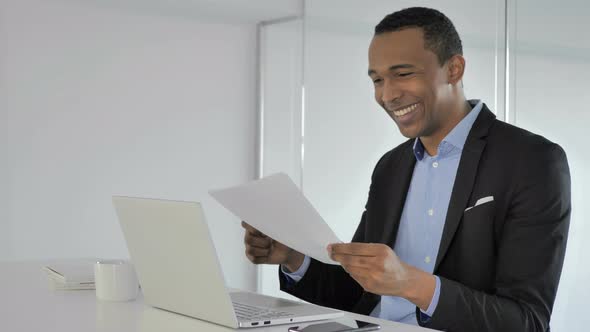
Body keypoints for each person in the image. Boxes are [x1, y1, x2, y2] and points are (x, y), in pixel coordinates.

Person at [242, 7, 571, 332]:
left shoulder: (532, 160)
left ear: (454, 69)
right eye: (377, 80)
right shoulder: (391, 167)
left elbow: (527, 322)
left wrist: (412, 285)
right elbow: (356, 292)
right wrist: (294, 258)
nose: (388, 95)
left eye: (403, 74)